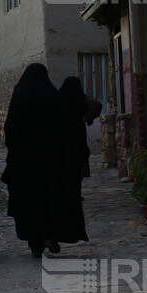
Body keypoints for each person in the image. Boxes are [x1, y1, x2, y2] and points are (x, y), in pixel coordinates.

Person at [1, 63, 87, 258]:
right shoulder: (53, 97)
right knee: (50, 199)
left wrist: (15, 152)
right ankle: (49, 234)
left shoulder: (19, 97)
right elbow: (65, 132)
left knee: (28, 201)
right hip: (51, 163)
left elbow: (9, 129)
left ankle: (35, 243)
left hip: (24, 163)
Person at [56, 77, 103, 244]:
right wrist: (85, 117)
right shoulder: (80, 98)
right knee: (78, 164)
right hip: (77, 138)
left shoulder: (58, 98)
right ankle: (76, 189)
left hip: (62, 140)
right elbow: (97, 104)